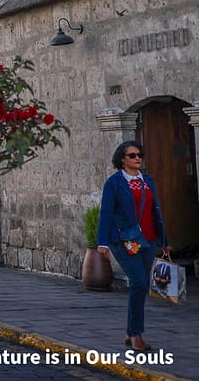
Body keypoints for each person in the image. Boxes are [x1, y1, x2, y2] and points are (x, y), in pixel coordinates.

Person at [96, 139, 168, 353]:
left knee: (142, 284)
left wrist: (165, 241)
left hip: (149, 239)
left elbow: (156, 211)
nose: (138, 158)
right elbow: (106, 213)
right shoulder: (114, 183)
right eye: (132, 155)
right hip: (124, 240)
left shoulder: (147, 180)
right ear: (122, 159)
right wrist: (102, 243)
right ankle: (136, 334)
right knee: (138, 282)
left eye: (139, 155)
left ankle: (131, 332)